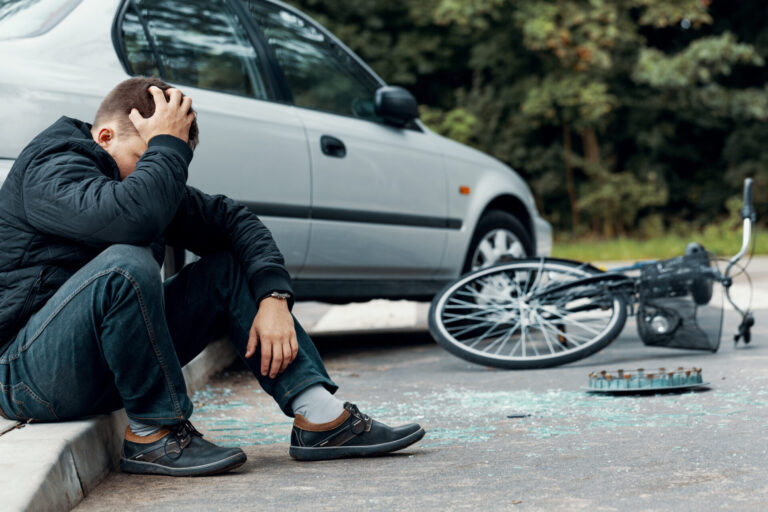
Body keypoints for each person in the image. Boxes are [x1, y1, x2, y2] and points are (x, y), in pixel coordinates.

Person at [0, 77, 424, 476]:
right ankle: (154, 434)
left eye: (162, 165)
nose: (155, 177)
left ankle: (320, 417)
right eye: (145, 161)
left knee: (226, 268)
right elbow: (127, 221)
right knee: (125, 265)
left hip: (101, 367)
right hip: (25, 375)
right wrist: (167, 146)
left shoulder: (140, 187)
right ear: (105, 137)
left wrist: (274, 297)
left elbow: (234, 222)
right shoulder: (51, 167)